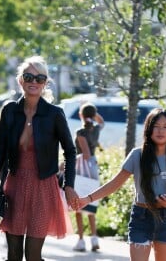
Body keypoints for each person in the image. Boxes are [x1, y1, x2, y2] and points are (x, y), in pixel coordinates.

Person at [0, 55, 78, 261]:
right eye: (29, 77)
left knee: (33, 255)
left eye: (39, 78)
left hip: (43, 188)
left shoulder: (54, 114)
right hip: (14, 186)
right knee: (13, 254)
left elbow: (70, 150)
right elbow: (0, 153)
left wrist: (69, 185)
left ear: (45, 83)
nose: (34, 82)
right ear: (20, 80)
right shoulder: (9, 111)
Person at [77, 108, 166, 261]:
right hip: (141, 217)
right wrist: (88, 199)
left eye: (165, 126)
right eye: (156, 126)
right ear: (148, 129)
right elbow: (115, 183)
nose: (160, 130)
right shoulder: (137, 155)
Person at [73, 102, 104, 252]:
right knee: (91, 204)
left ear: (81, 115)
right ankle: (94, 238)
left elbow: (85, 154)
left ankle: (81, 241)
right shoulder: (97, 128)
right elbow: (101, 121)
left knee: (78, 207)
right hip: (93, 168)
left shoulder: (81, 132)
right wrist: (92, 113)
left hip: (81, 169)